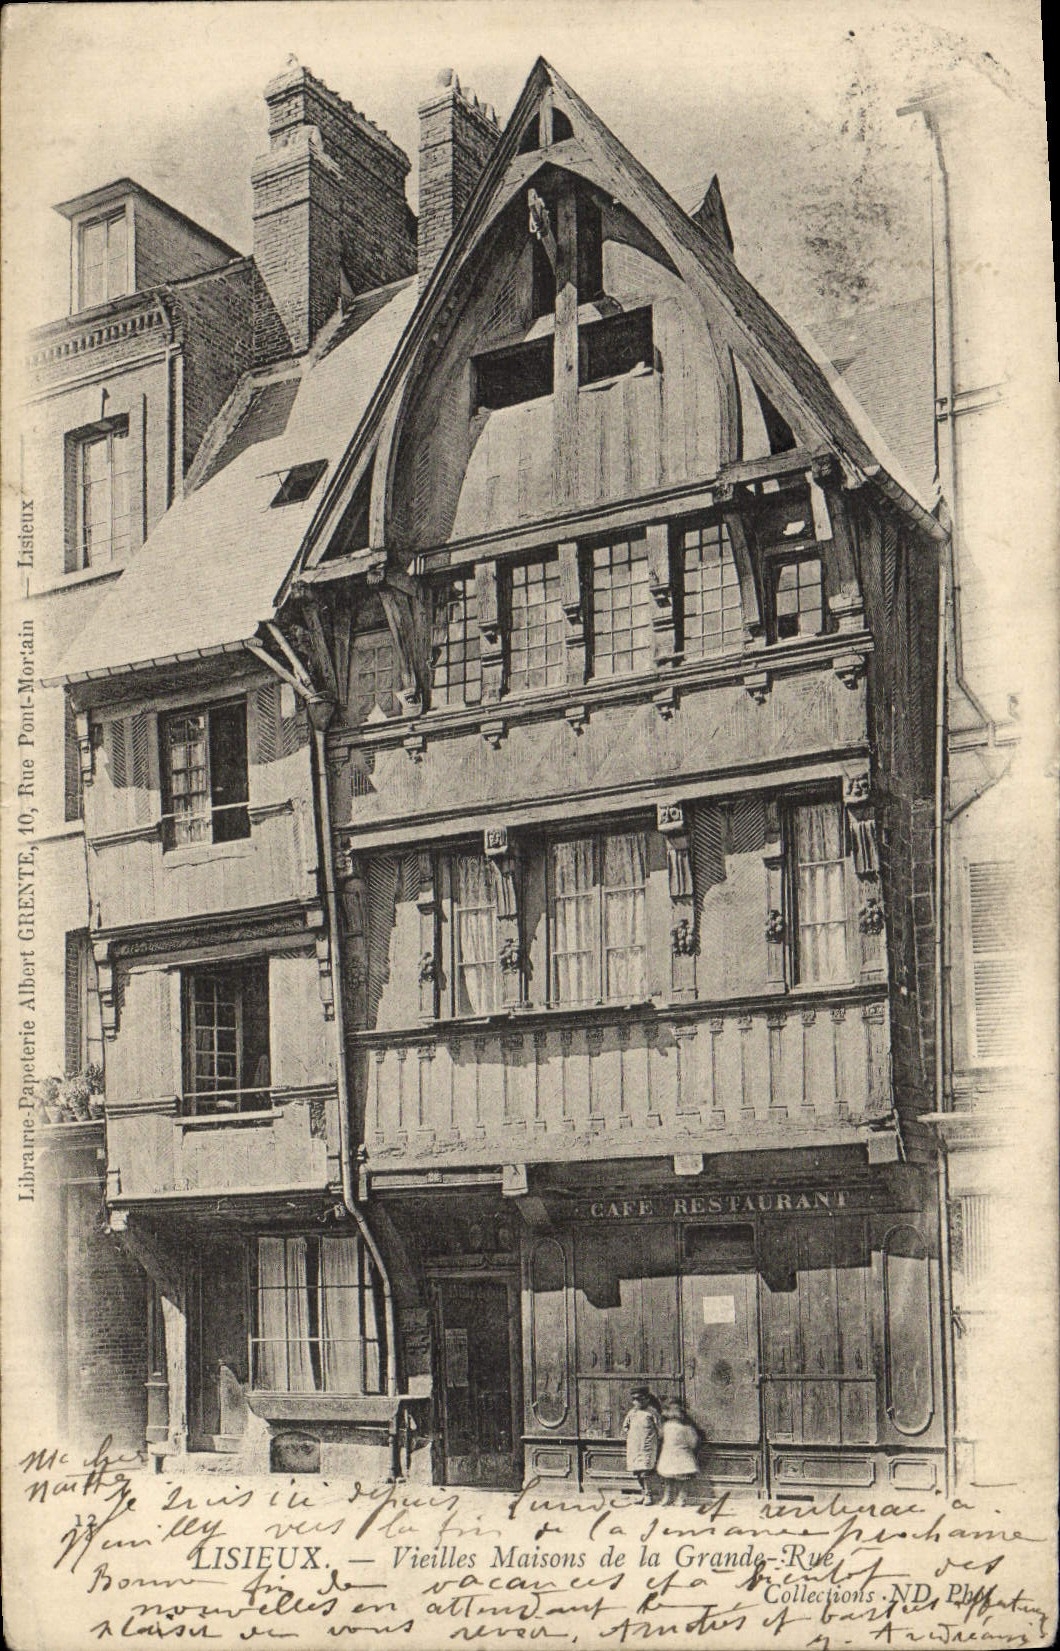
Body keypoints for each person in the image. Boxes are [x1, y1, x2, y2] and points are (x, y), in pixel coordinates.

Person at [655, 1399, 701, 1505]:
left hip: (678, 1454)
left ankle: (678, 1497)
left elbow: (693, 1442)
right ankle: (671, 1497)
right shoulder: (667, 1427)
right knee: (670, 1478)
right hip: (671, 1454)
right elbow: (693, 1443)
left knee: (679, 1478)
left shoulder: (686, 1428)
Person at [622, 1387, 661, 1504]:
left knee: (646, 1471)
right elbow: (625, 1427)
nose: (637, 1402)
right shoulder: (632, 1413)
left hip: (647, 1447)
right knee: (637, 1471)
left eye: (640, 1399)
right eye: (634, 1399)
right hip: (634, 1447)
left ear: (647, 1399)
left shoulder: (652, 1413)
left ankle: (649, 1495)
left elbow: (660, 1430)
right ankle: (643, 1493)